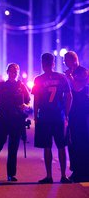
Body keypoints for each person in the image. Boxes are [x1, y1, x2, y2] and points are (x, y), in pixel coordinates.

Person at [0, 63, 31, 182]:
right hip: (3, 120)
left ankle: (11, 174)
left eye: (15, 71)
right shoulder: (3, 85)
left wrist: (25, 106)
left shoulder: (21, 86)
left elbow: (28, 102)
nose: (13, 73)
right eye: (11, 71)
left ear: (18, 72)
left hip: (16, 121)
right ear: (7, 72)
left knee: (13, 148)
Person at [32, 53, 72, 184]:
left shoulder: (38, 79)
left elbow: (36, 99)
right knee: (61, 146)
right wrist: (66, 113)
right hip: (58, 116)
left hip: (44, 116)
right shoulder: (61, 78)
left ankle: (49, 176)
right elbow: (69, 96)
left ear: (43, 64)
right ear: (53, 63)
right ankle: (64, 176)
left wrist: (35, 115)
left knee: (47, 146)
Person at [64, 51, 89, 182]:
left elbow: (78, 88)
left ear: (72, 60)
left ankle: (84, 171)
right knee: (71, 142)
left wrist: (70, 78)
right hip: (72, 112)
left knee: (82, 141)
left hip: (83, 112)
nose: (65, 65)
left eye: (66, 61)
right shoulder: (71, 73)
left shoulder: (82, 72)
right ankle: (76, 170)